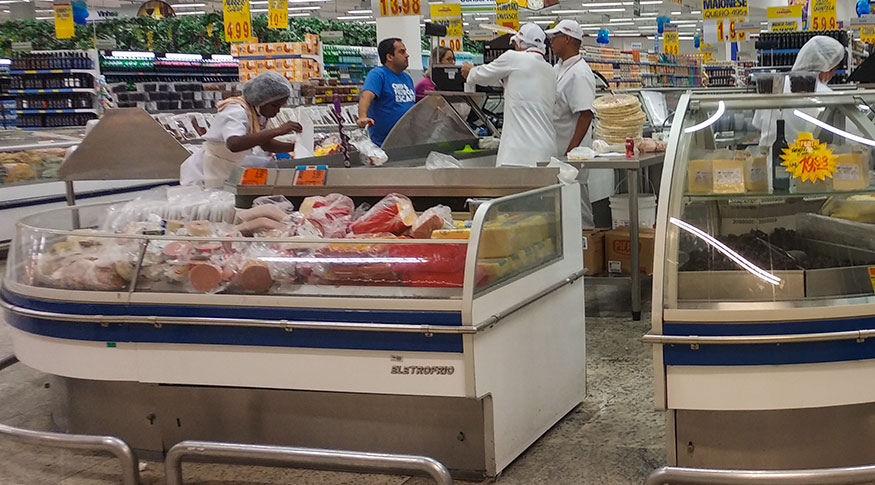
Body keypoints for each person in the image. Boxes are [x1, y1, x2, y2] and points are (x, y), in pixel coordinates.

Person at [180, 71, 301, 188]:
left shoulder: (259, 113)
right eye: (275, 106)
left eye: (280, 107)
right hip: (207, 172)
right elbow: (234, 144)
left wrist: (296, 147)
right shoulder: (236, 110)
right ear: (261, 100)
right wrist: (278, 131)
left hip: (230, 169)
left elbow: (265, 144)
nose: (277, 111)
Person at [460, 23, 557, 167]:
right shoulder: (550, 70)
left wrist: (470, 71)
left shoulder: (513, 58)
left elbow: (480, 75)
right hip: (547, 151)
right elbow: (511, 80)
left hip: (519, 155)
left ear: (519, 43)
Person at [546, 19, 607, 228]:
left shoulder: (580, 73)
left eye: (555, 37)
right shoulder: (560, 68)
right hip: (559, 150)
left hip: (571, 153)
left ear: (567, 38)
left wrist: (571, 151)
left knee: (577, 205)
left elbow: (586, 114)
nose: (552, 41)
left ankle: (587, 248)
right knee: (564, 206)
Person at [753, 35, 845, 147]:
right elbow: (839, 136)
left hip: (768, 158)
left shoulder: (774, 86)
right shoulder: (826, 95)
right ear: (826, 68)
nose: (831, 76)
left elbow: (758, 129)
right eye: (833, 71)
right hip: (807, 161)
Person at [356, 37, 416, 146]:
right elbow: (366, 95)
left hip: (407, 142)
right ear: (389, 57)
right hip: (384, 144)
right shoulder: (378, 74)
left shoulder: (407, 78)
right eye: (402, 52)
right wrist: (362, 116)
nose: (407, 55)